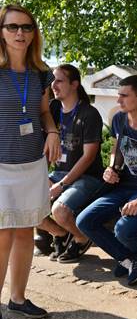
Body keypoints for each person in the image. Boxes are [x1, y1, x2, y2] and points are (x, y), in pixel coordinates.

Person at [76, 75, 137, 286]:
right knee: (84, 221)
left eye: (124, 95)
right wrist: (111, 168)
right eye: (118, 95)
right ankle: (132, 257)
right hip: (123, 188)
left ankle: (133, 255)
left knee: (122, 228)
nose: (118, 100)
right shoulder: (119, 120)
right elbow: (116, 150)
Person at [0, 4, 61, 319]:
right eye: (11, 27)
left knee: (25, 232)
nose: (20, 33)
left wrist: (52, 132)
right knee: (3, 235)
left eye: (26, 27)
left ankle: (18, 298)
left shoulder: (41, 72)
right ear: (1, 31)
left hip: (31, 163)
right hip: (1, 165)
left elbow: (42, 113)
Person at [37, 64, 103, 263]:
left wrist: (61, 185)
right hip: (59, 174)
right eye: (52, 81)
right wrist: (43, 178)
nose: (54, 86)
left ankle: (82, 238)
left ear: (74, 84)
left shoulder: (89, 114)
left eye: (59, 81)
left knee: (60, 210)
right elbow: (47, 147)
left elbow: (88, 157)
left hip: (87, 177)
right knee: (28, 205)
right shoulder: (54, 109)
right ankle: (60, 234)